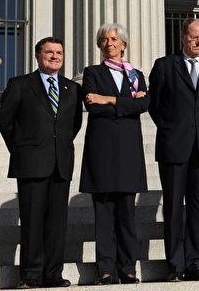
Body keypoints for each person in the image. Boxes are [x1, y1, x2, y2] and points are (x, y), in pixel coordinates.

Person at [0, 37, 83, 289]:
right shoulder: (20, 84)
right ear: (37, 56)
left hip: (61, 163)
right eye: (49, 52)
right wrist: (22, 148)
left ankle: (53, 274)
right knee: (32, 222)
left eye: (59, 53)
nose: (55, 56)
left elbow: (74, 124)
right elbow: (5, 120)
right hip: (31, 163)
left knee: (57, 224)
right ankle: (31, 275)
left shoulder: (71, 88)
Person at [148, 18, 199, 282]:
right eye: (194, 37)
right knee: (173, 207)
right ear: (183, 37)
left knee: (198, 207)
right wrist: (171, 127)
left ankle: (194, 264)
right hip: (173, 146)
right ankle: (175, 265)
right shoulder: (165, 66)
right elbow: (155, 105)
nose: (198, 42)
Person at [79, 23, 149, 285]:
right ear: (99, 45)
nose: (109, 43)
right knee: (104, 216)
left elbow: (145, 104)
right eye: (104, 40)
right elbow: (93, 106)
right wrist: (128, 103)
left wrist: (108, 99)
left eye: (114, 39)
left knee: (127, 216)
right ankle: (106, 269)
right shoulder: (92, 73)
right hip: (102, 151)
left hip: (129, 151)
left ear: (123, 44)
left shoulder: (136, 75)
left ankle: (128, 268)